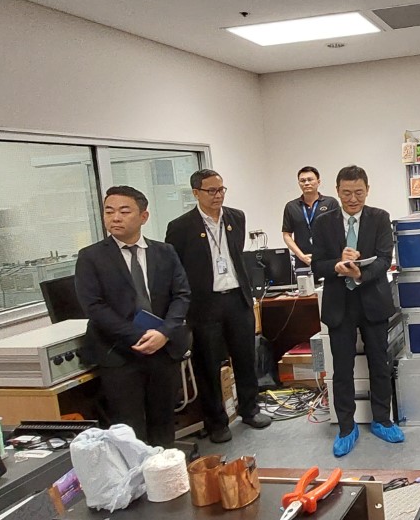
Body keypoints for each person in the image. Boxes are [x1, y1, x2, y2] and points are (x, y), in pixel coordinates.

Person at [75, 186, 192, 448]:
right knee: (129, 430)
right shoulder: (91, 257)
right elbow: (94, 306)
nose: (115, 217)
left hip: (163, 351)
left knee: (163, 423)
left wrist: (163, 333)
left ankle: (164, 469)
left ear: (143, 216)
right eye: (109, 212)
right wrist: (140, 335)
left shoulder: (165, 252)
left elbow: (182, 296)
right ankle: (136, 474)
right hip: (119, 353)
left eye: (124, 211)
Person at [165, 169, 273, 445]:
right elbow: (175, 269)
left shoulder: (236, 218)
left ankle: (250, 410)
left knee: (245, 357)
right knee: (208, 365)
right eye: (211, 191)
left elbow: (236, 255)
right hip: (205, 304)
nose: (218, 195)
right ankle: (216, 422)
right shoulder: (180, 227)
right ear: (196, 193)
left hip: (237, 298)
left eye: (221, 189)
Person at [312, 165, 402, 457]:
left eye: (359, 192)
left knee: (379, 363)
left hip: (372, 300)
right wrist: (337, 266)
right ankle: (346, 427)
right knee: (342, 369)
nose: (353, 199)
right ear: (337, 191)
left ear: (368, 190)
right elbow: (317, 265)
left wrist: (360, 274)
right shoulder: (323, 222)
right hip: (340, 304)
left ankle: (382, 419)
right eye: (347, 193)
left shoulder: (380, 218)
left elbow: (384, 258)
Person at [281, 166, 338, 270]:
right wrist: (301, 256)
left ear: (318, 182)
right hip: (302, 260)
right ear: (299, 183)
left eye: (310, 179)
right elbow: (286, 235)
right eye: (302, 181)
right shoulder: (291, 206)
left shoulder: (330, 203)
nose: (306, 183)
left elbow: (339, 231)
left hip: (328, 259)